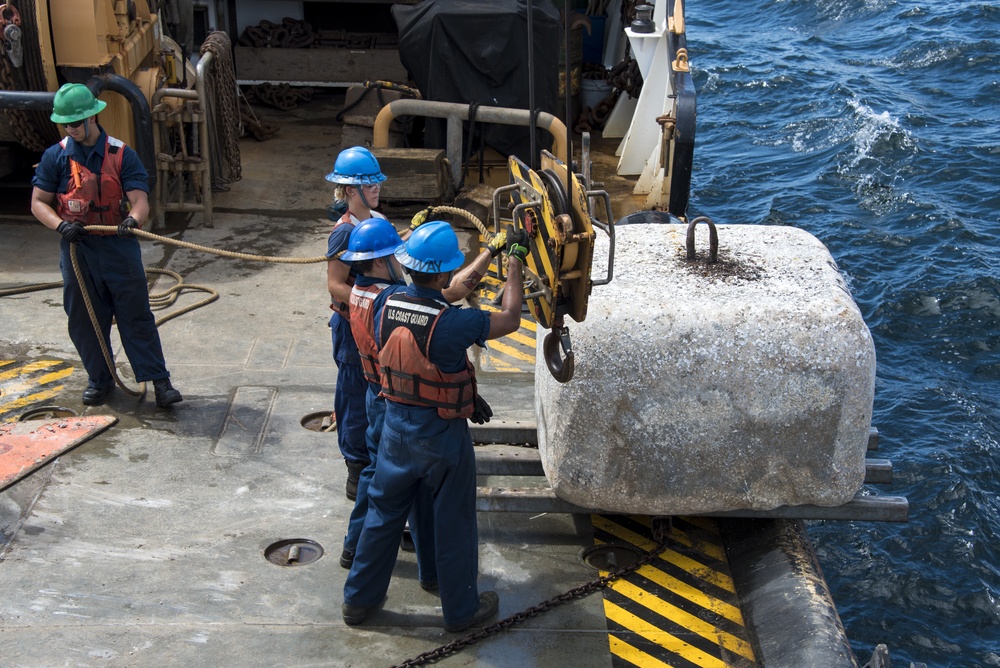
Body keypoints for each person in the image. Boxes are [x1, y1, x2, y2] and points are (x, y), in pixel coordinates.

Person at [342, 220, 529, 633]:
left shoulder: (381, 303)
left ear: (408, 266)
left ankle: (358, 600)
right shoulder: (454, 323)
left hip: (394, 429)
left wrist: (490, 252)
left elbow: (427, 323)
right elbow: (512, 317)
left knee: (384, 515)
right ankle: (461, 610)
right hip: (442, 437)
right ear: (443, 272)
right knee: (453, 520)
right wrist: (514, 259)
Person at [29, 83, 182, 408]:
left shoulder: (122, 155)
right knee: (83, 319)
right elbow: (38, 202)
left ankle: (159, 381)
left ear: (92, 118)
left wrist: (133, 221)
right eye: (66, 124)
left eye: (75, 123)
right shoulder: (55, 157)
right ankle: (99, 379)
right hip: (78, 251)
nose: (70, 129)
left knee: (136, 315)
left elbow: (140, 200)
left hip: (117, 248)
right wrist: (61, 226)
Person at [325, 146, 389, 500]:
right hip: (351, 326)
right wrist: (370, 301)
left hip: (374, 322)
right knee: (352, 393)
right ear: (350, 190)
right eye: (368, 184)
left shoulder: (377, 222)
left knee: (374, 389)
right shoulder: (344, 232)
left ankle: (372, 456)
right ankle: (355, 467)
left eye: (377, 182)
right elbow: (335, 284)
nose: (376, 188)